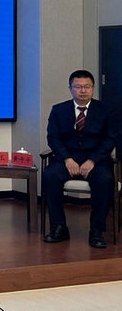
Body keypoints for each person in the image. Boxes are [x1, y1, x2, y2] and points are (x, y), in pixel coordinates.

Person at [42, 70, 116, 249]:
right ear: (70, 88)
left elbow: (110, 139)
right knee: (49, 176)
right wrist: (67, 159)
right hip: (67, 159)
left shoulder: (106, 110)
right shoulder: (58, 110)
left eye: (87, 87)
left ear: (93, 88)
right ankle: (59, 226)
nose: (83, 90)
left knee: (105, 179)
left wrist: (92, 160)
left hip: (95, 160)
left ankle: (96, 230)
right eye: (78, 87)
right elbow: (53, 138)